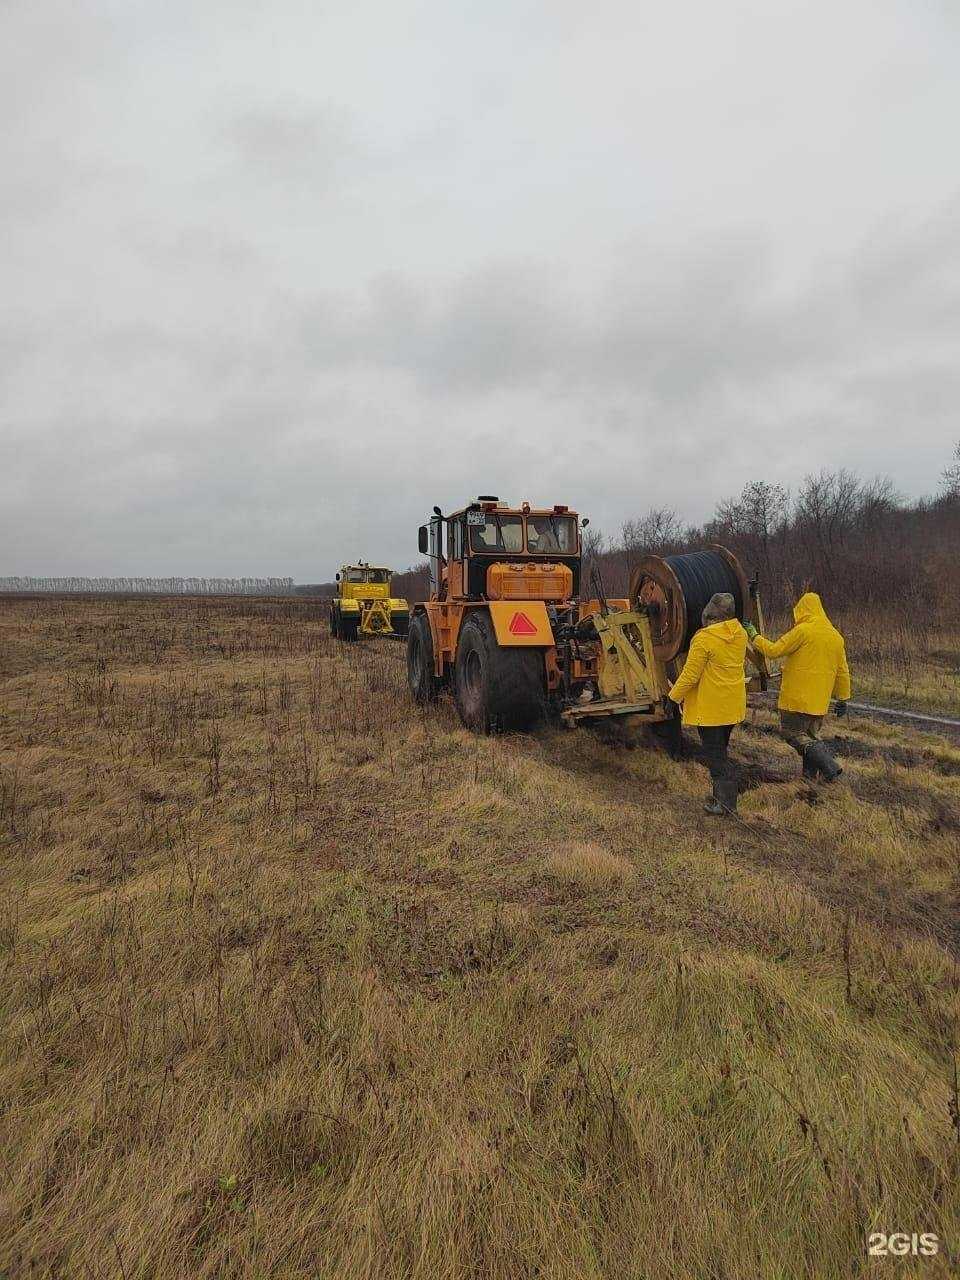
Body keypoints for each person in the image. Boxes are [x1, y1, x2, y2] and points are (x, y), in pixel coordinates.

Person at [744, 591, 851, 782]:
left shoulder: (803, 631)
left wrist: (753, 635)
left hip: (796, 700)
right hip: (819, 704)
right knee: (810, 737)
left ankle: (829, 764)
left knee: (792, 733)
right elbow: (842, 672)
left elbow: (773, 651)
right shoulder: (836, 637)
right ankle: (809, 780)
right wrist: (843, 698)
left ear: (803, 610)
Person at [667, 592, 748, 816]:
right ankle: (722, 797)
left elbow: (690, 676)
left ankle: (725, 804)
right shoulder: (740, 634)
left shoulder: (704, 639)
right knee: (721, 750)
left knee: (715, 755)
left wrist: (672, 698)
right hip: (732, 705)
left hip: (711, 708)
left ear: (709, 615)